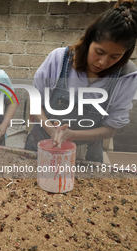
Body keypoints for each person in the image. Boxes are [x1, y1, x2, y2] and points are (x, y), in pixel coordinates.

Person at [25, 0, 137, 162]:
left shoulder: (127, 75)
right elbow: (34, 102)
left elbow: (110, 129)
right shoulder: (58, 60)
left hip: (86, 151)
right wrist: (51, 130)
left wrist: (71, 135)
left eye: (115, 57)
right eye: (99, 52)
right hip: (43, 141)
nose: (102, 62)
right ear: (88, 41)